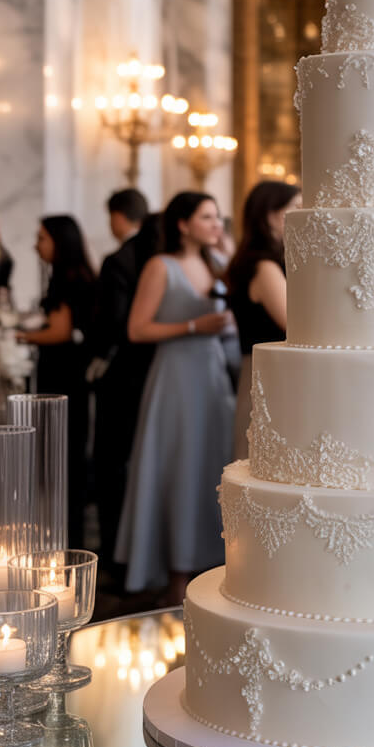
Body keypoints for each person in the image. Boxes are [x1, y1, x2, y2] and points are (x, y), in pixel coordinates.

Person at [115, 192, 234, 603]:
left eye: (218, 217)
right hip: (176, 376)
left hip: (213, 374)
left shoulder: (216, 263)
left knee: (212, 465)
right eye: (207, 217)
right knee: (179, 466)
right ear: (182, 223)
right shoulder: (160, 266)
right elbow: (137, 329)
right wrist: (192, 326)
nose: (216, 224)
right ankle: (175, 576)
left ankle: (217, 568)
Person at [88, 189, 154, 581]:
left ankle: (115, 551)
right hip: (154, 372)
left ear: (118, 215)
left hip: (122, 376)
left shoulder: (120, 259)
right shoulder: (161, 256)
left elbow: (111, 322)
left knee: (113, 463)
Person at [18, 216, 96, 547]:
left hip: (63, 375)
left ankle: (63, 535)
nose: (36, 245)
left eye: (42, 238)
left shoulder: (66, 279)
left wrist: (21, 335)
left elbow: (60, 331)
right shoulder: (72, 275)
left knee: (62, 452)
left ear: (60, 242)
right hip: (69, 374)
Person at [227, 181, 300, 458]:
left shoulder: (273, 261)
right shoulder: (263, 266)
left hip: (273, 371)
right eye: (295, 208)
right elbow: (291, 322)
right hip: (264, 374)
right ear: (270, 214)